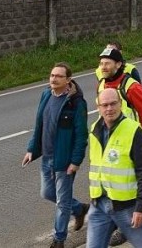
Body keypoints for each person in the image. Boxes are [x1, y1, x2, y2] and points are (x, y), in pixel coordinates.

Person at [22, 62, 89, 248]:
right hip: (46, 157)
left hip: (64, 160)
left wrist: (75, 161)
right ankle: (79, 208)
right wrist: (31, 150)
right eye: (52, 75)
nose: (53, 79)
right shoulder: (46, 95)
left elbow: (81, 135)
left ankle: (59, 240)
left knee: (62, 202)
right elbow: (39, 126)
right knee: (47, 193)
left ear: (68, 80)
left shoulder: (76, 102)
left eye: (58, 76)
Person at [87, 88, 142, 248]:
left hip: (125, 207)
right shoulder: (94, 129)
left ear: (120, 104)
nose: (109, 108)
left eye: (113, 104)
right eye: (104, 105)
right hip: (99, 204)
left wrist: (141, 207)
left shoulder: (133, 130)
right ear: (98, 107)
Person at [97, 48, 142, 130]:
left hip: (129, 138)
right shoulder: (101, 85)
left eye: (107, 64)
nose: (103, 67)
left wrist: (137, 134)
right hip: (108, 137)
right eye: (101, 64)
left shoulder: (132, 87)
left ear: (118, 64)